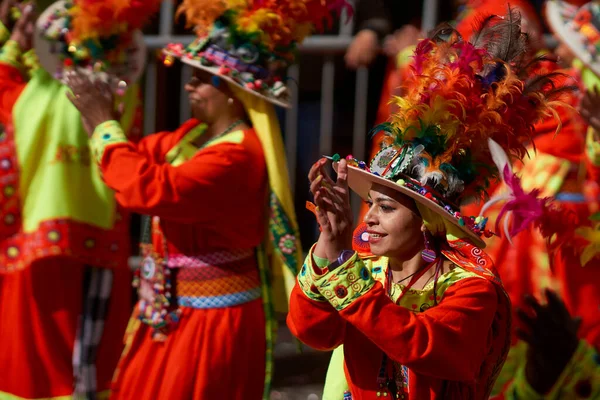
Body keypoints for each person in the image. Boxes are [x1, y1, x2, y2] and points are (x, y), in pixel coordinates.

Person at [65, 0, 351, 398]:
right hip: (173, 315)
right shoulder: (193, 137)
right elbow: (128, 163)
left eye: (201, 78)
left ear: (233, 92)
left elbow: (151, 188)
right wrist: (104, 117)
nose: (188, 85)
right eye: (189, 74)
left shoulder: (236, 155)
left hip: (214, 321)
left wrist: (103, 124)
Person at [287, 13, 574, 399]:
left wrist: (346, 271)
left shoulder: (471, 287)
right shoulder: (369, 269)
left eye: (386, 208)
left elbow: (422, 344)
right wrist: (329, 246)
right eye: (370, 204)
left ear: (427, 222)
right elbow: (313, 333)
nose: (368, 217)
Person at [0, 0, 150, 398]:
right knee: (90, 363)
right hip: (100, 241)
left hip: (34, 245)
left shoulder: (32, 95)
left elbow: (2, 85)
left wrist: (13, 42)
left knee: (33, 368)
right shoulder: (122, 94)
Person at [478, 1, 600, 397]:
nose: (559, 51)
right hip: (539, 214)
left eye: (567, 44)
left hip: (572, 219)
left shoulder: (581, 87)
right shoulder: (557, 77)